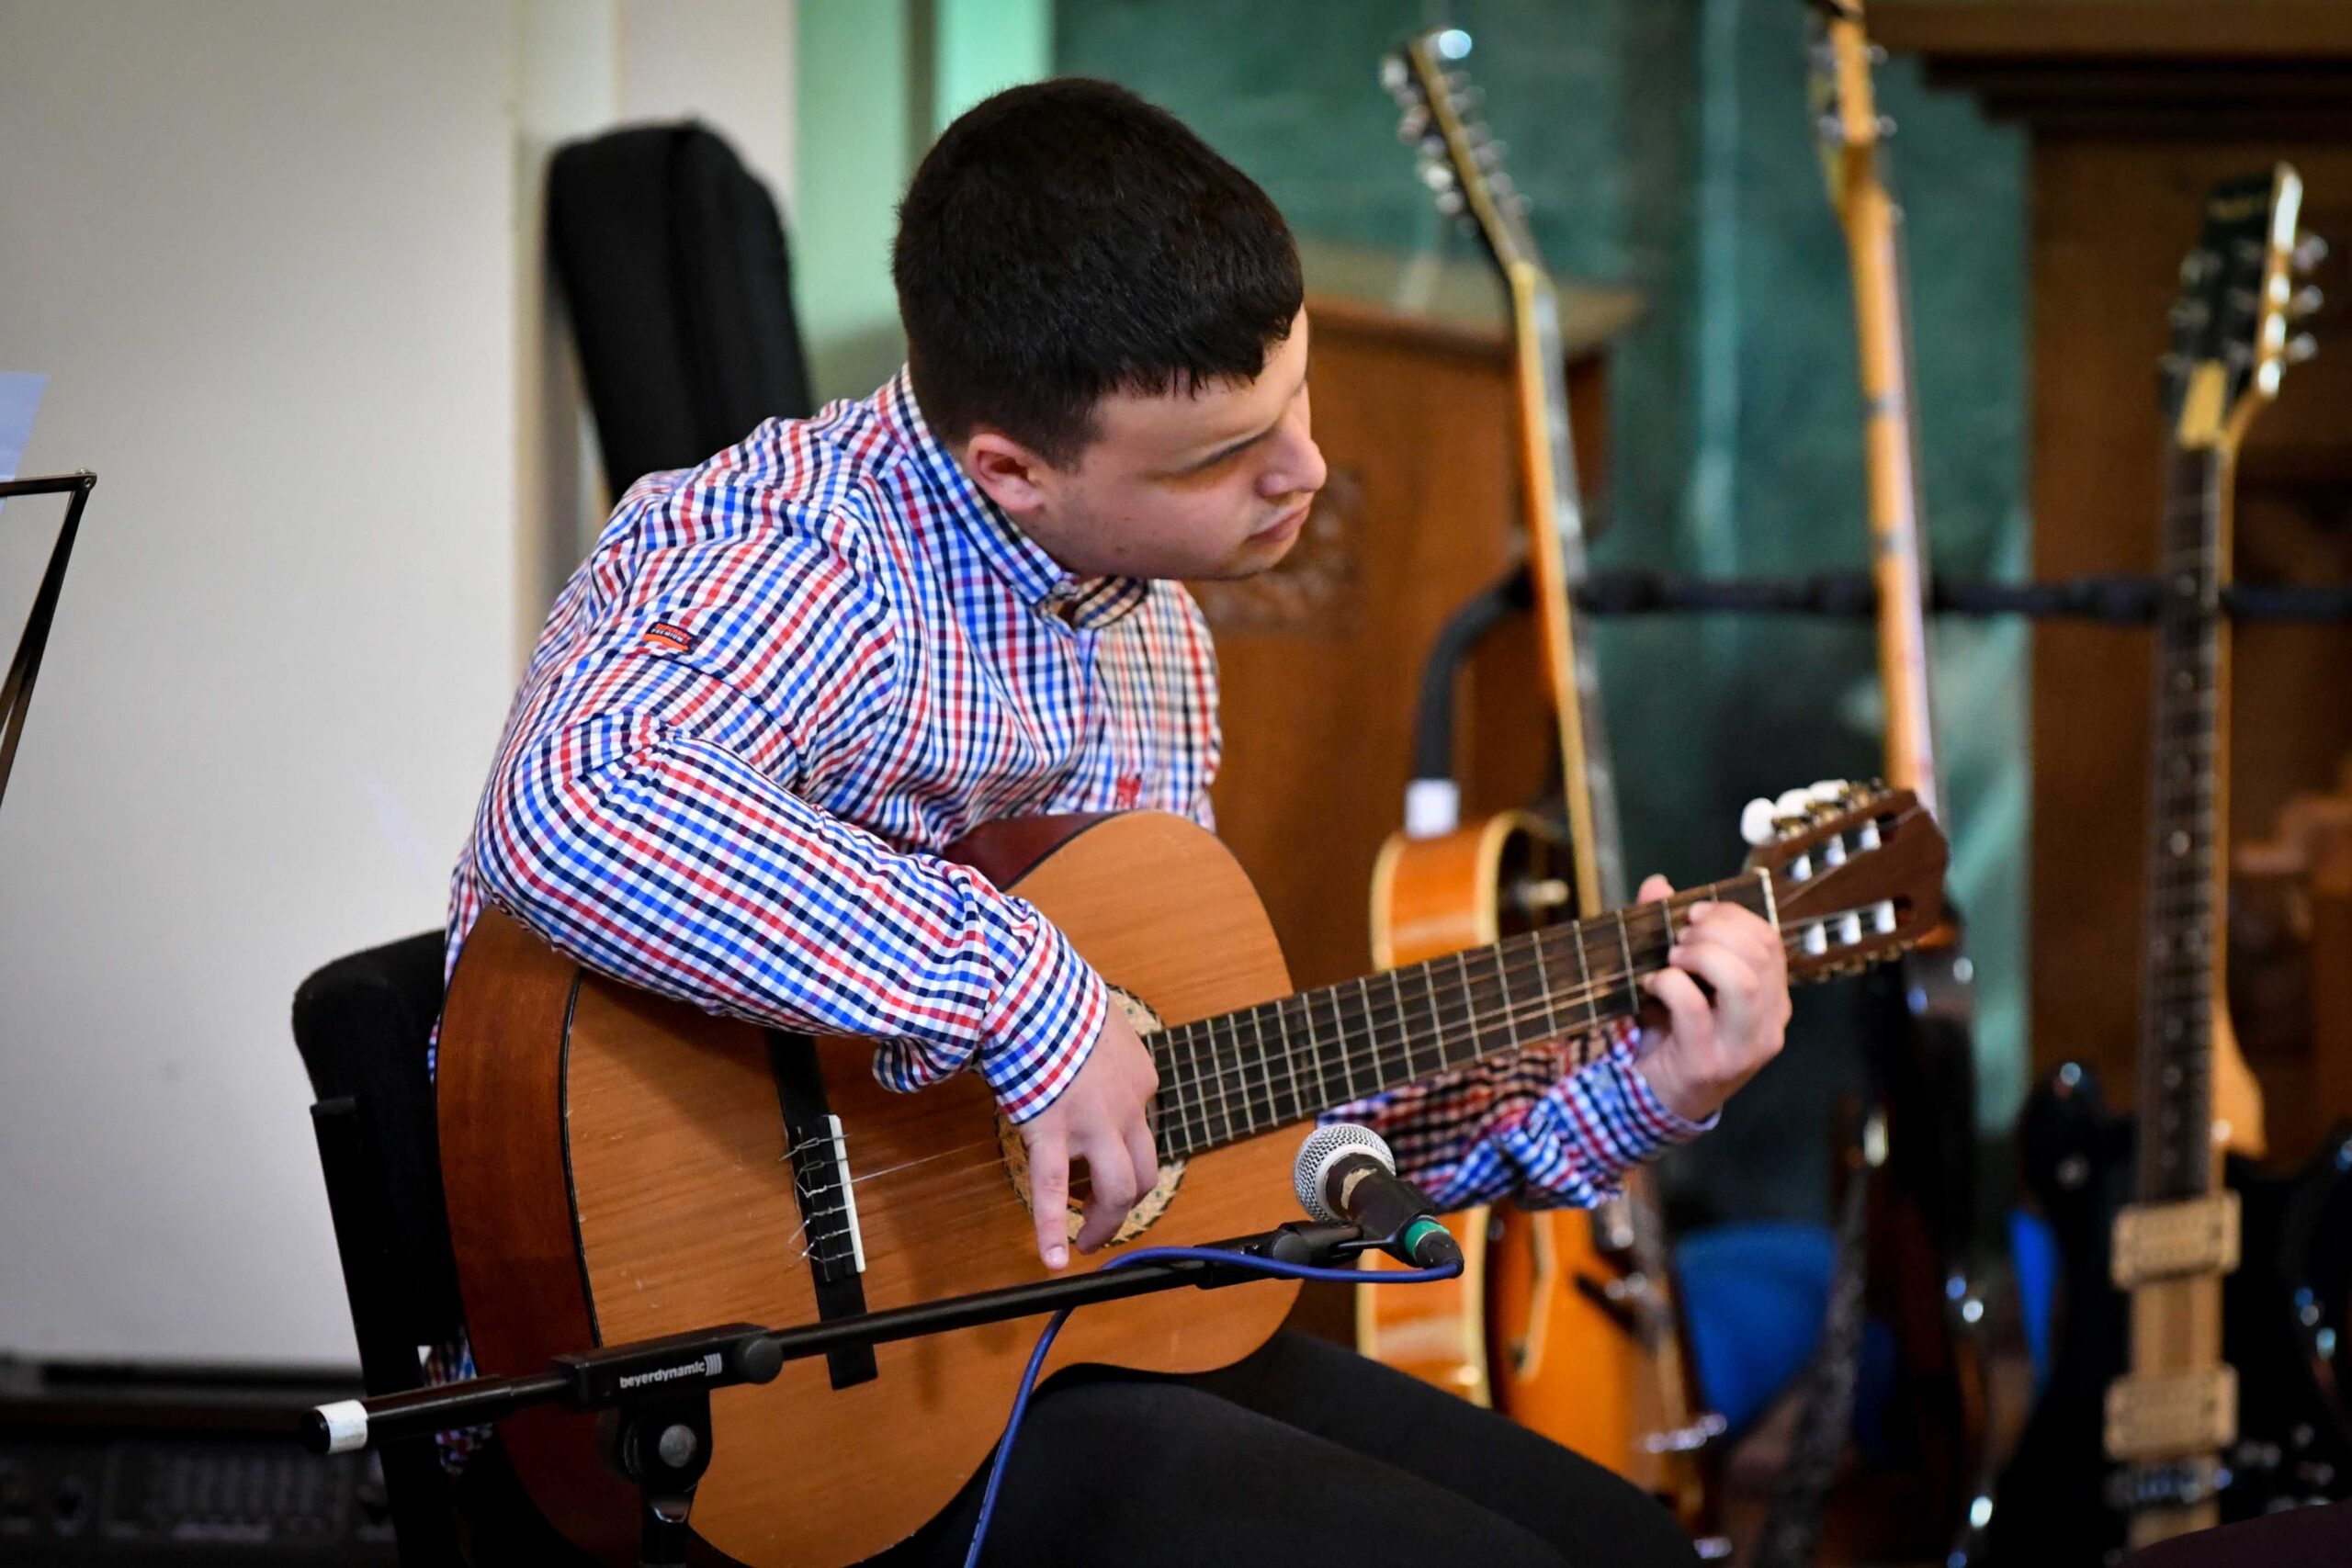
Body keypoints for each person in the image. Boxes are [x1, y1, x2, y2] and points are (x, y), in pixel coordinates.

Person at [448, 78, 1792, 1568]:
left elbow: (1220, 1128)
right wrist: (1016, 994)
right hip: (777, 1374)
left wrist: (1635, 1090)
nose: (1305, 475)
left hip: (1057, 1318)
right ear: (1013, 472)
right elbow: (575, 806)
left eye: (1296, 399)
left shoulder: (1156, 637)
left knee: (1626, 1551)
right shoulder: (791, 550)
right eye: (1223, 458)